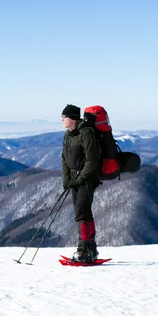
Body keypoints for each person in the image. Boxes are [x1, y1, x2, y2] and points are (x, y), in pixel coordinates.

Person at [61, 104, 101, 262]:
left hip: (87, 178)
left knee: (81, 211)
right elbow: (64, 158)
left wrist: (79, 179)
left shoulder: (86, 133)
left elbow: (92, 160)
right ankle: (91, 248)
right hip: (74, 179)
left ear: (72, 118)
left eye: (64, 118)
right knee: (83, 212)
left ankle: (83, 248)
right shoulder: (68, 135)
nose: (62, 121)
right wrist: (66, 178)